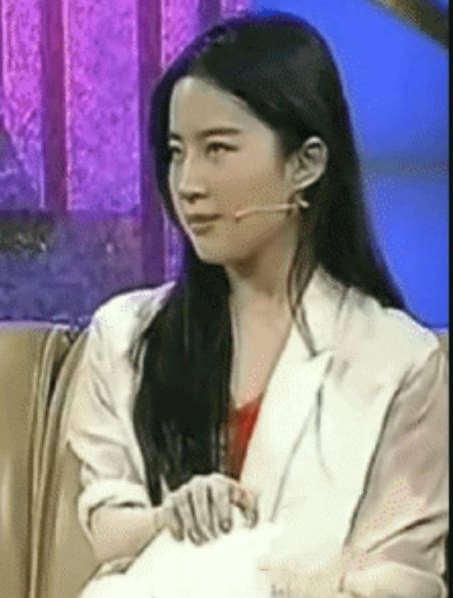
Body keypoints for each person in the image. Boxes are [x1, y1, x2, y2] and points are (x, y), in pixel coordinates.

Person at [67, 11, 448, 597]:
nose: (188, 184)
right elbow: (108, 528)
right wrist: (172, 519)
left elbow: (402, 577)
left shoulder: (399, 360)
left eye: (217, 149)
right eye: (176, 152)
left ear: (306, 163)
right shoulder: (125, 336)